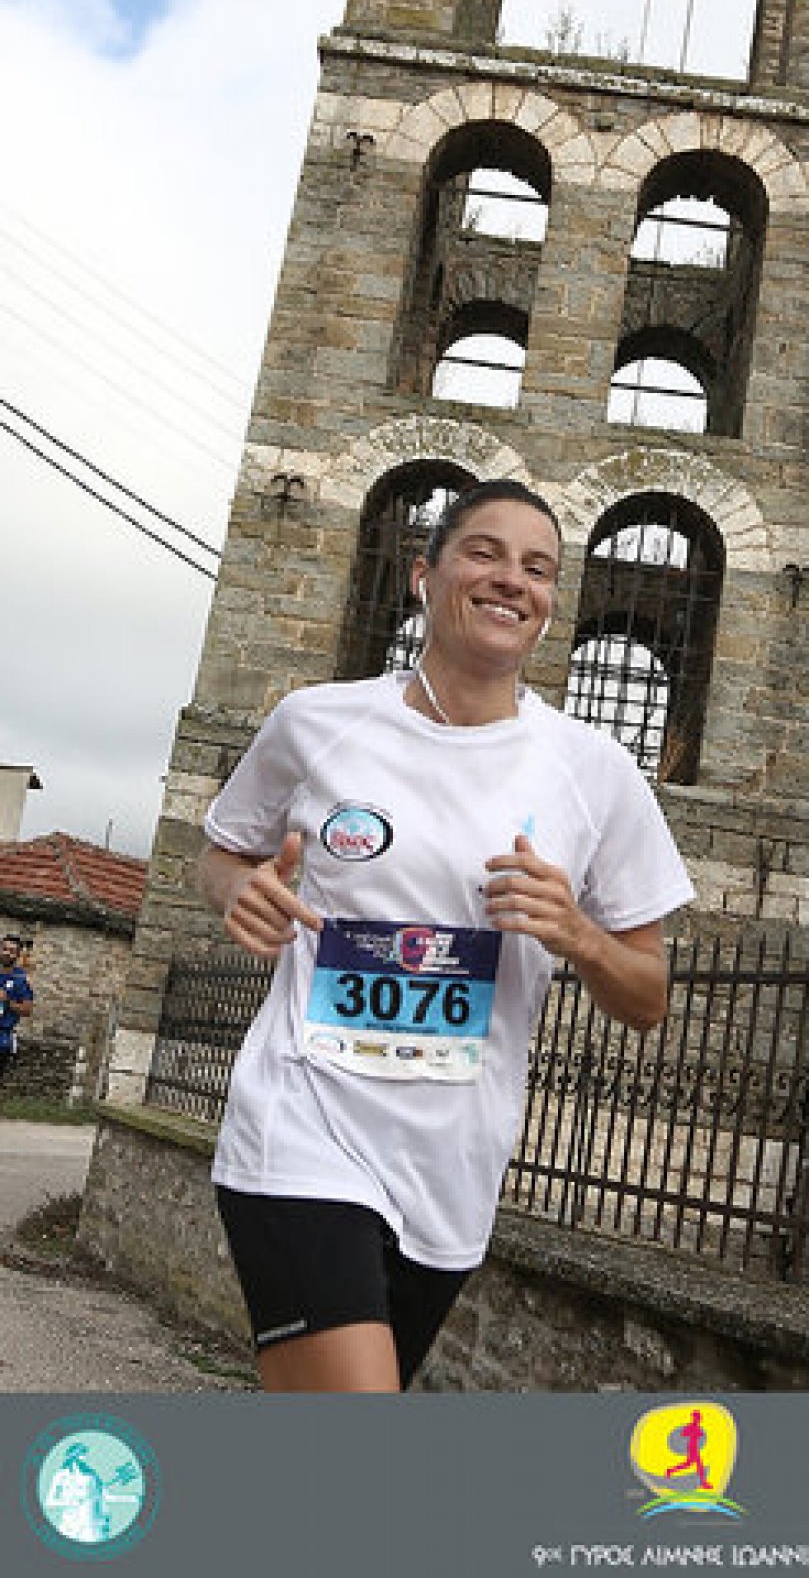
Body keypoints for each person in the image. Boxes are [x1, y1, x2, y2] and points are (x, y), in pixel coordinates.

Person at [197, 478, 694, 1392]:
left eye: (538, 568)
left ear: (550, 604)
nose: (512, 580)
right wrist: (241, 891)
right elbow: (224, 853)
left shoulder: (594, 772)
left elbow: (647, 998)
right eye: (484, 553)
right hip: (300, 1125)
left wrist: (579, 934)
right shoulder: (317, 722)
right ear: (425, 576)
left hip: (451, 1165)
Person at [0, 933, 34, 1089]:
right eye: (4, 949)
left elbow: (27, 1010)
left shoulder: (20, 980)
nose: (7, 953)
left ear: (17, 955)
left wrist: (7, 1001)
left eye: (12, 951)